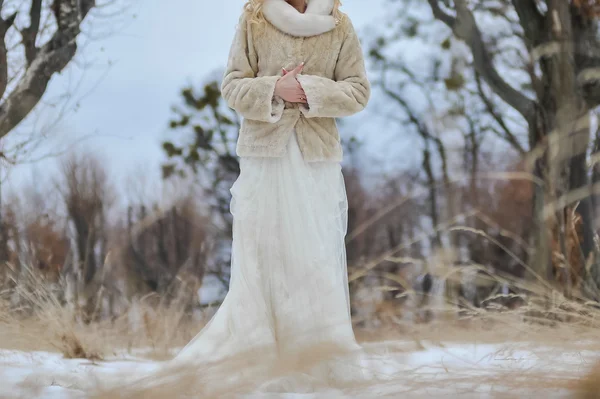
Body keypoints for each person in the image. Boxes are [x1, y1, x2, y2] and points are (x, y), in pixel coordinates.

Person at [173, 0, 371, 390]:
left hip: (317, 160)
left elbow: (358, 91)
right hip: (264, 157)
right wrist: (274, 89)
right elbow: (231, 85)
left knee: (313, 255)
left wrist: (308, 91)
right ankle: (257, 354)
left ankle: (314, 356)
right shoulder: (253, 20)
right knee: (263, 252)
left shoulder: (339, 25)